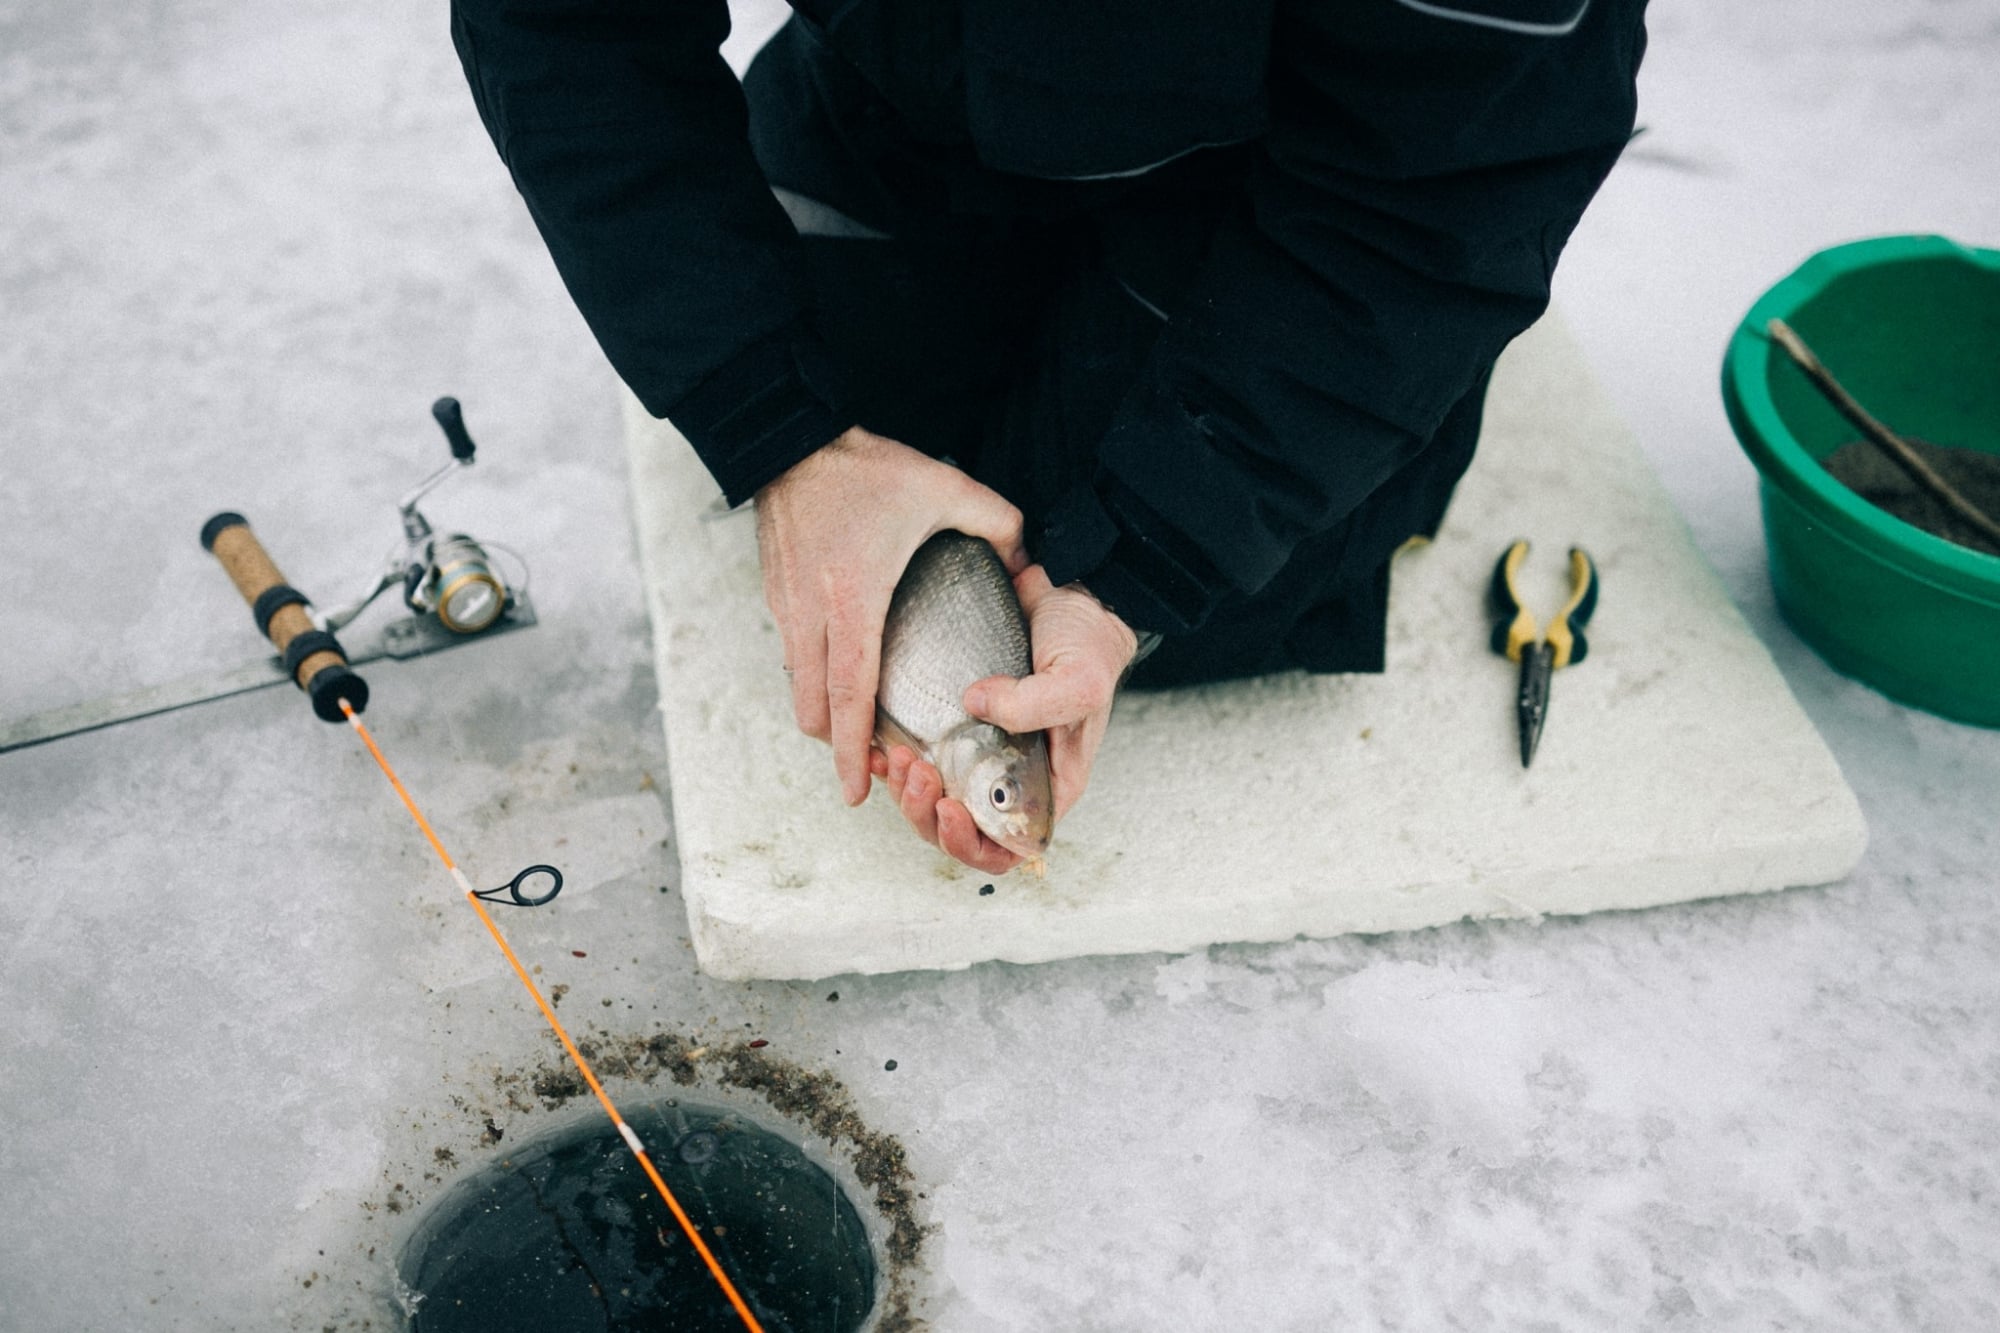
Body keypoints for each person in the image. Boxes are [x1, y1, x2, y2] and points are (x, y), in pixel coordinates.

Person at [451, 0, 1647, 872]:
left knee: (1196, 594)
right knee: (872, 536)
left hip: (1267, 215)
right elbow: (563, 30)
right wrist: (777, 431)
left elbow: (1445, 191)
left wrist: (1142, 566)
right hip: (889, 112)